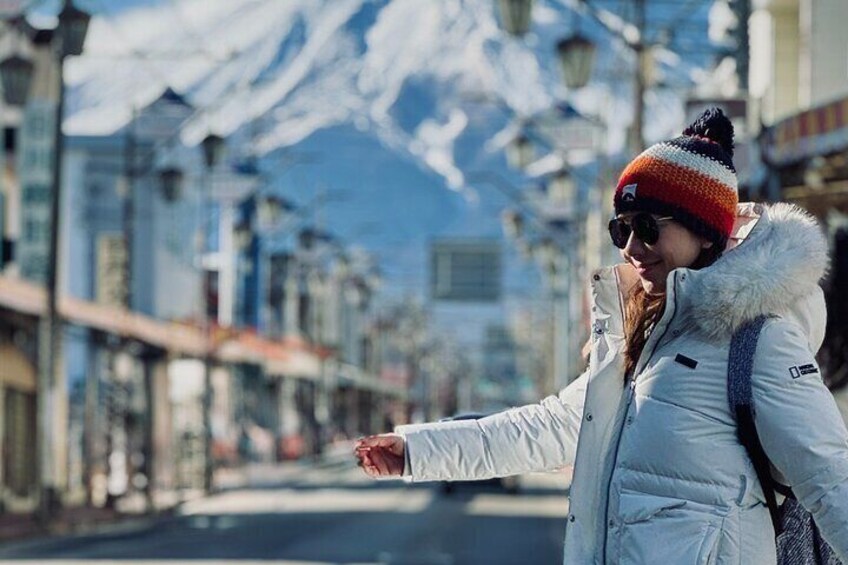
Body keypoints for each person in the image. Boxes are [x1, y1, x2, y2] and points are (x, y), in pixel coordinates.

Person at [354, 108, 848, 564]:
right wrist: (416, 450)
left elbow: (832, 483)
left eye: (648, 227)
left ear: (706, 232)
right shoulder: (641, 339)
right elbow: (549, 427)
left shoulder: (759, 342)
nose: (631, 247)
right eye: (621, 229)